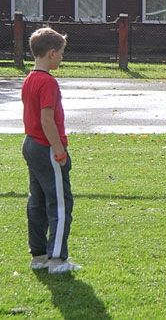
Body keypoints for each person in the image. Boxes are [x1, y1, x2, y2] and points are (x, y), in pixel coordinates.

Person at [21, 27, 81, 273]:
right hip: (46, 147)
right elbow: (47, 120)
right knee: (59, 203)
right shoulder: (48, 82)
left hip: (30, 144)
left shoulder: (28, 78)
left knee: (37, 200)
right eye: (62, 53)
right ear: (52, 53)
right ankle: (57, 260)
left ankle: (39, 256)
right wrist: (60, 152)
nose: (62, 58)